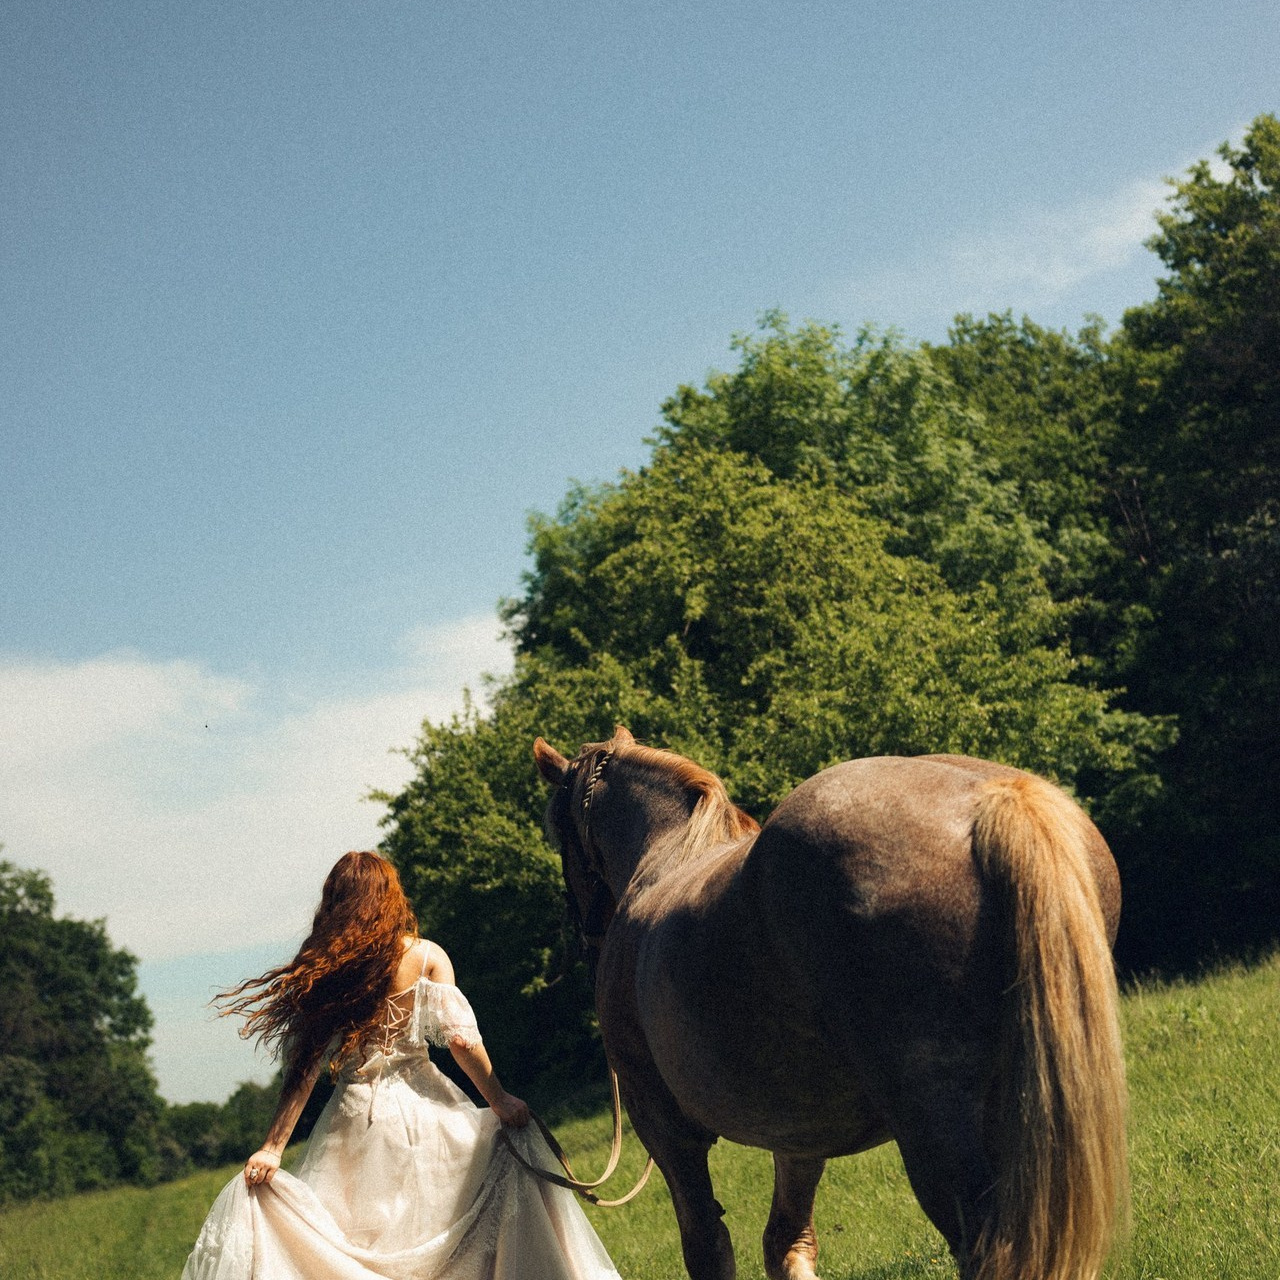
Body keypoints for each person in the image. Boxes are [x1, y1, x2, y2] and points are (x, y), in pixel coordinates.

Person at [182, 850, 622, 1280]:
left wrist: (273, 1147)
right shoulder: (427, 956)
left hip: (355, 1121)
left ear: (334, 904)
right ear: (390, 897)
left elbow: (304, 1069)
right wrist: (500, 1100)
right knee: (489, 1178)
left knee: (363, 1245)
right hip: (426, 1107)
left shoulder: (328, 967)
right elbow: (460, 1041)